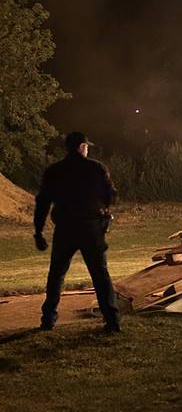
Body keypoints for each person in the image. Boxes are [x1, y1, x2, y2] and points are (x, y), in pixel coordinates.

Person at [34, 132, 121, 332]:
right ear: (82, 146)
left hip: (65, 228)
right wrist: (104, 209)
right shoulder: (96, 168)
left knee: (56, 274)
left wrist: (38, 231)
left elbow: (43, 202)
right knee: (100, 274)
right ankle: (112, 320)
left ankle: (48, 319)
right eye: (87, 146)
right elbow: (111, 194)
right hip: (91, 227)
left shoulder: (55, 171)